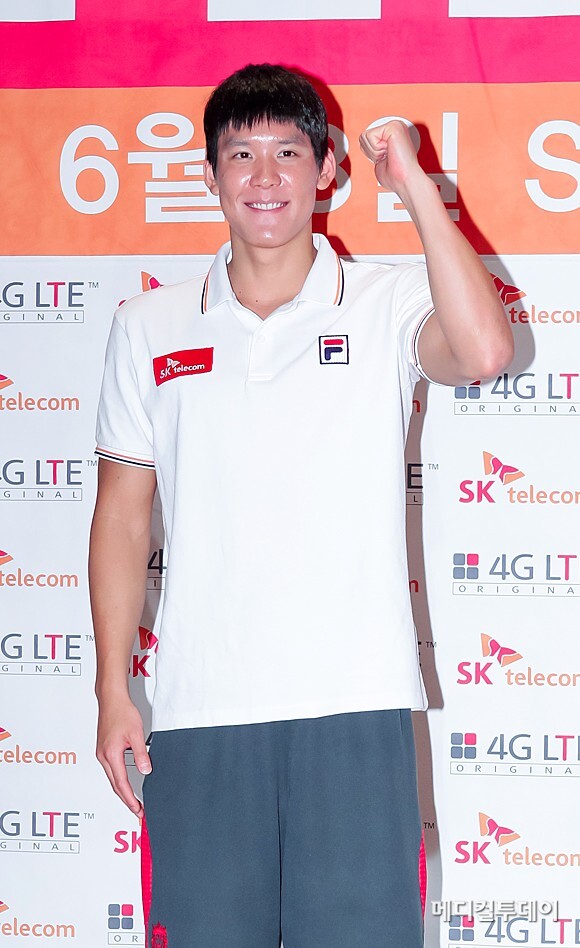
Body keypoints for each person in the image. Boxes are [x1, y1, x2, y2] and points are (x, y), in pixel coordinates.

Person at [89, 64, 513, 948]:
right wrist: (111, 688)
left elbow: (482, 352)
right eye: (241, 154)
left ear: (326, 170)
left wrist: (414, 185)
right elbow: (124, 518)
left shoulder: (387, 300)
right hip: (201, 712)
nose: (264, 176)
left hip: (353, 705)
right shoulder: (149, 325)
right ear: (210, 175)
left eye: (288, 152)